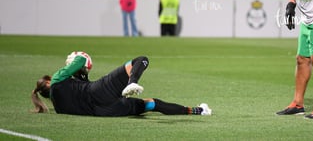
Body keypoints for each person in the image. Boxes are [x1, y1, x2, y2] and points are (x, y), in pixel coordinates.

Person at [31, 53, 212, 116]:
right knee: (140, 60)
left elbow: (79, 87)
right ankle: (132, 82)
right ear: (48, 81)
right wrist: (72, 61)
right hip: (98, 92)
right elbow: (82, 59)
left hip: (106, 111)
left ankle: (199, 110)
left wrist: (81, 74)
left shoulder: (60, 106)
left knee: (151, 104)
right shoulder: (56, 79)